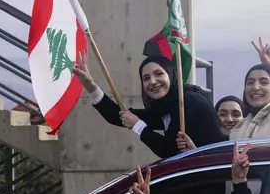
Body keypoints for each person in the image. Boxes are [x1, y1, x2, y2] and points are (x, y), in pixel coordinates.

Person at [73, 53, 223, 159]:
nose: (152, 81)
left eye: (159, 74)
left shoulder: (189, 102)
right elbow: (119, 116)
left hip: (209, 185)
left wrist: (138, 126)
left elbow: (170, 151)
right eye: (146, 78)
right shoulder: (166, 106)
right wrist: (89, 85)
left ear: (171, 75)